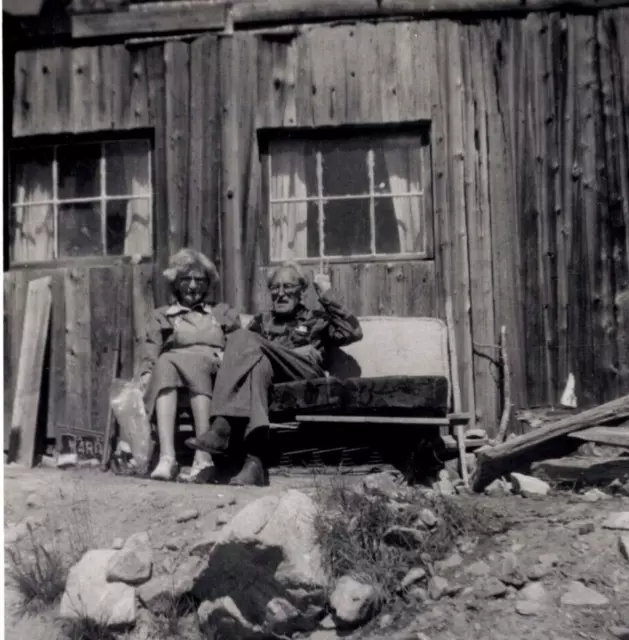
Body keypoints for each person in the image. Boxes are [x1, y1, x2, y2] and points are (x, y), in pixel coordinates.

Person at [185, 260, 363, 486]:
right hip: (267, 377)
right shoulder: (262, 321)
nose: (281, 294)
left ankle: (221, 428)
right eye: (275, 288)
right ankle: (254, 463)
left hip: (303, 374)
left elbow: (353, 331)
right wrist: (298, 350)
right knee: (258, 365)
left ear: (302, 290)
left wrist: (325, 292)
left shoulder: (317, 318)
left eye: (288, 287)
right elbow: (247, 357)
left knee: (241, 338)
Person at [139, 248, 241, 483]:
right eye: (186, 279)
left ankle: (203, 457)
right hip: (173, 374)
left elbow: (238, 343)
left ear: (208, 284)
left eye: (199, 280)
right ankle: (168, 457)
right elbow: (151, 351)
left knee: (186, 361)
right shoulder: (162, 315)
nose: (193, 286)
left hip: (216, 372)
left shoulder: (221, 312)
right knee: (164, 362)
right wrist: (145, 373)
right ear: (176, 282)